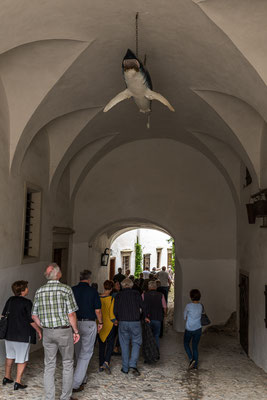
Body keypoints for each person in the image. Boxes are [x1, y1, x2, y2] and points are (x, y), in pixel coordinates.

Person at [32, 263, 80, 400]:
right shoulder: (65, 289)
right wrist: (75, 331)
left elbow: (34, 315)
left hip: (48, 332)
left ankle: (49, 398)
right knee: (67, 363)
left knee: (49, 365)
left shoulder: (39, 291)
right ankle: (65, 397)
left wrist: (45, 326)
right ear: (59, 274)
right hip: (64, 331)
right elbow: (71, 314)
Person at [2, 281, 42, 390]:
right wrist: (38, 330)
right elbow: (31, 320)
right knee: (22, 358)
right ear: (23, 290)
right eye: (27, 287)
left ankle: (7, 376)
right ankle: (18, 382)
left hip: (9, 333)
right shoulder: (27, 302)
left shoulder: (10, 300)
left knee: (10, 355)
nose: (28, 289)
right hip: (23, 335)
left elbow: (3, 315)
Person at [71, 269, 102, 392]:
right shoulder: (92, 291)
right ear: (89, 279)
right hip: (89, 323)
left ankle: (82, 378)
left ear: (80, 278)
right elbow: (98, 310)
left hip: (75, 323)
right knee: (86, 353)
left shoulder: (72, 290)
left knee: (78, 352)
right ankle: (76, 383)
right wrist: (101, 322)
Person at [114, 278, 143, 376]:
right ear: (131, 285)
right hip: (135, 322)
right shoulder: (136, 294)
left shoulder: (119, 295)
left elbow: (115, 310)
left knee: (124, 344)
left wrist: (117, 318)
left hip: (123, 322)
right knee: (136, 343)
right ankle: (133, 365)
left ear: (122, 286)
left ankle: (125, 368)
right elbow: (142, 307)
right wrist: (141, 317)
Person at [99, 280, 117, 374]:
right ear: (111, 289)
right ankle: (106, 361)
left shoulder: (98, 298)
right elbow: (111, 314)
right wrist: (115, 322)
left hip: (100, 324)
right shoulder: (111, 299)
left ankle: (101, 365)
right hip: (109, 325)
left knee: (102, 345)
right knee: (110, 345)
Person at [142, 280, 167, 349]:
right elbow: (164, 307)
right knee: (156, 336)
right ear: (156, 287)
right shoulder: (161, 295)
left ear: (148, 287)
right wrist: (165, 314)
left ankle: (148, 353)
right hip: (157, 318)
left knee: (147, 336)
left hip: (147, 318)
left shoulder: (144, 295)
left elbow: (141, 306)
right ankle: (156, 352)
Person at [183, 289, 203, 370]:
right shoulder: (201, 306)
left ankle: (191, 359)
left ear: (191, 297)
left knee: (186, 343)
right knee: (195, 346)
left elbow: (185, 317)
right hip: (198, 328)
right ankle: (195, 365)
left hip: (189, 328)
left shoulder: (188, 306)